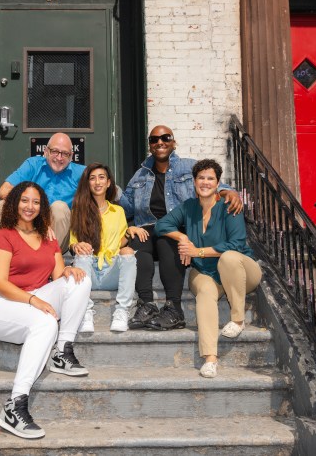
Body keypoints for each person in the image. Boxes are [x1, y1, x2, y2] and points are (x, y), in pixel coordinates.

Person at [0, 181, 91, 439]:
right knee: (46, 323)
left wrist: (68, 271)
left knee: (79, 279)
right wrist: (33, 300)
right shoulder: (4, 236)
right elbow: (1, 283)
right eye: (25, 200)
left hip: (33, 297)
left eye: (36, 202)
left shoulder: (48, 238)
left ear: (43, 207)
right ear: (15, 203)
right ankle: (15, 406)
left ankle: (62, 351)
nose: (30, 206)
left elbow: (58, 273)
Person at [119, 125, 243, 330]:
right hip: (147, 228)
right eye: (154, 139)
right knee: (137, 246)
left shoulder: (188, 167)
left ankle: (174, 308)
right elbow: (126, 208)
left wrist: (230, 192)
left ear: (173, 142)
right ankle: (146, 304)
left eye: (165, 137)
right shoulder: (140, 175)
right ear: (150, 145)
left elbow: (209, 182)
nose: (160, 142)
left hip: (177, 228)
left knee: (168, 240)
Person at [155, 159, 262, 378]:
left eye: (210, 178)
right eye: (201, 178)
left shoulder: (230, 206)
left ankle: (238, 319)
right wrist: (183, 237)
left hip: (240, 272)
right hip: (206, 272)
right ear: (194, 182)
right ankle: (210, 358)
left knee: (229, 258)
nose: (205, 182)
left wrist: (198, 252)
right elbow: (161, 225)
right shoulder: (189, 207)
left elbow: (236, 245)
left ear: (218, 183)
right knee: (204, 292)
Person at [69, 163, 137, 333]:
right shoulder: (78, 209)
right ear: (87, 183)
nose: (97, 182)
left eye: (101, 177)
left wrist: (129, 232)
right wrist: (77, 245)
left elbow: (119, 244)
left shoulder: (118, 211)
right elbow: (72, 242)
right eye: (92, 178)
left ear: (108, 183)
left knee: (128, 253)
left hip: (110, 271)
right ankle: (85, 312)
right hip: (87, 271)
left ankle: (121, 311)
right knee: (82, 255)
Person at [0, 132, 85, 250]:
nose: (59, 157)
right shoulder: (33, 164)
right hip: (29, 225)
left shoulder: (82, 173)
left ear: (71, 156)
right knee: (0, 206)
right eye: (54, 151)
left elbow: (104, 191)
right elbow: (3, 191)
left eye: (65, 154)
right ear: (46, 151)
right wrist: (35, 213)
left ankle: (48, 256)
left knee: (59, 207)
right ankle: (16, 249)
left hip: (59, 234)